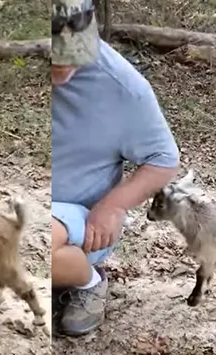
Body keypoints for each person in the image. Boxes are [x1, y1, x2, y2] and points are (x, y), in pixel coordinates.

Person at [51, 0, 179, 336]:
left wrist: (114, 205)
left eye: (72, 51)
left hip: (81, 216)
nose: (62, 67)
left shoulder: (123, 87)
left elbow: (163, 160)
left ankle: (89, 282)